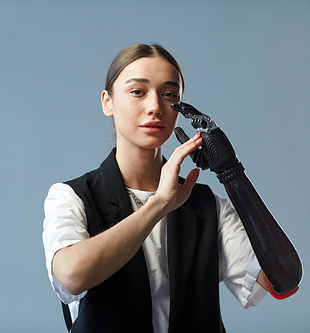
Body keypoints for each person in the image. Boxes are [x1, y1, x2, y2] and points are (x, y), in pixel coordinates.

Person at [42, 44, 290, 332]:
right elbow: (72, 276)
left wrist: (231, 173)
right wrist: (159, 203)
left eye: (169, 94)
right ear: (107, 102)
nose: (155, 107)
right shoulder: (70, 197)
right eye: (138, 91)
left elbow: (283, 278)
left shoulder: (209, 207)